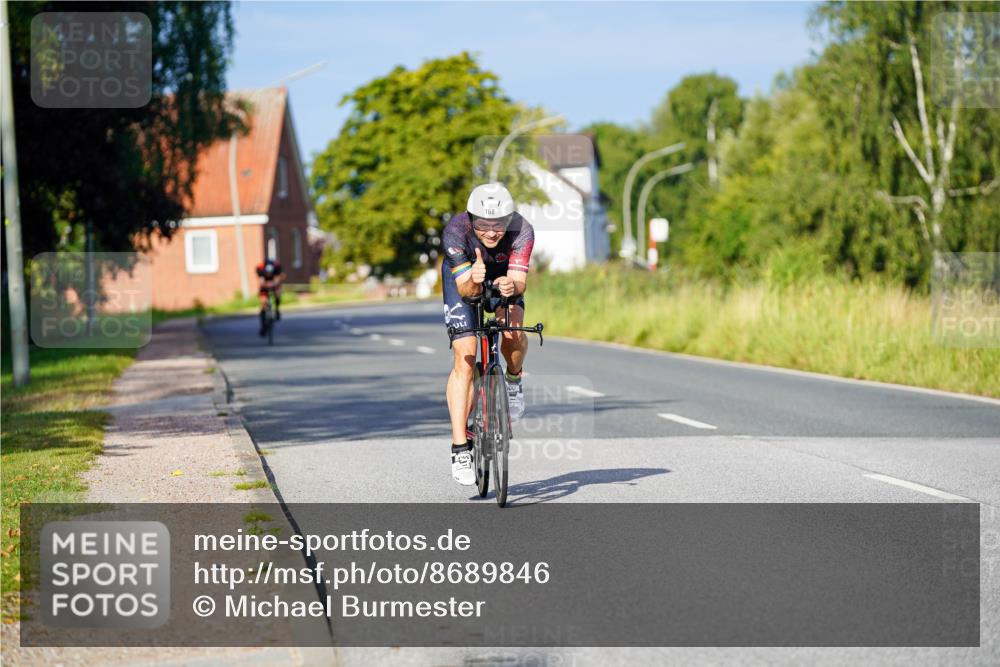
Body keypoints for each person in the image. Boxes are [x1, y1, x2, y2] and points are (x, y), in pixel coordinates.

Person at [441, 183, 534, 485]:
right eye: (483, 225)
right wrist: (474, 280)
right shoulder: (455, 232)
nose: (492, 233)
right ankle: (459, 448)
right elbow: (466, 290)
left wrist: (511, 286)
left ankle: (513, 380)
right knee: (465, 353)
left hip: (504, 274)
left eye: (499, 225)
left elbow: (520, 282)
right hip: (465, 277)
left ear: (509, 219)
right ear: (470, 219)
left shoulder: (522, 230)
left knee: (513, 329)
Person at [256, 257, 284, 336]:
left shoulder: (277, 267)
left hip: (274, 283)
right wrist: (265, 285)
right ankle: (263, 326)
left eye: (270, 273)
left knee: (278, 293)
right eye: (267, 273)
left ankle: (277, 310)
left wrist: (274, 284)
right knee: (263, 303)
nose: (269, 274)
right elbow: (261, 282)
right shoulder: (260, 268)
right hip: (265, 284)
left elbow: (279, 279)